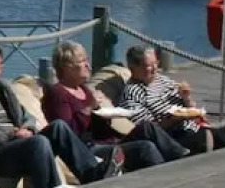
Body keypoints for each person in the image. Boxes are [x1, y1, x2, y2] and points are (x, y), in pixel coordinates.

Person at [0, 41, 109, 188]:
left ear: (1, 68)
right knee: (38, 142)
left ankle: (92, 174)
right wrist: (11, 134)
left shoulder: (3, 90)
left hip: (18, 143)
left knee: (58, 127)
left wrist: (28, 128)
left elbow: (27, 117)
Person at [41, 41, 187, 170]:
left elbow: (98, 128)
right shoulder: (57, 94)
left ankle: (182, 157)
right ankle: (166, 177)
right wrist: (88, 109)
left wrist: (104, 113)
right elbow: (68, 134)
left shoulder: (84, 89)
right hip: (89, 149)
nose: (88, 65)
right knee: (145, 147)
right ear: (68, 67)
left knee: (147, 127)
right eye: (83, 61)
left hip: (107, 140)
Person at [121, 45, 225, 153]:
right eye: (149, 65)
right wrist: (175, 119)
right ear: (134, 68)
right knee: (206, 138)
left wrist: (187, 98)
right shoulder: (133, 93)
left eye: (156, 63)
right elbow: (150, 130)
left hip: (191, 126)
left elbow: (190, 108)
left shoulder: (163, 80)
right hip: (172, 137)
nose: (155, 69)